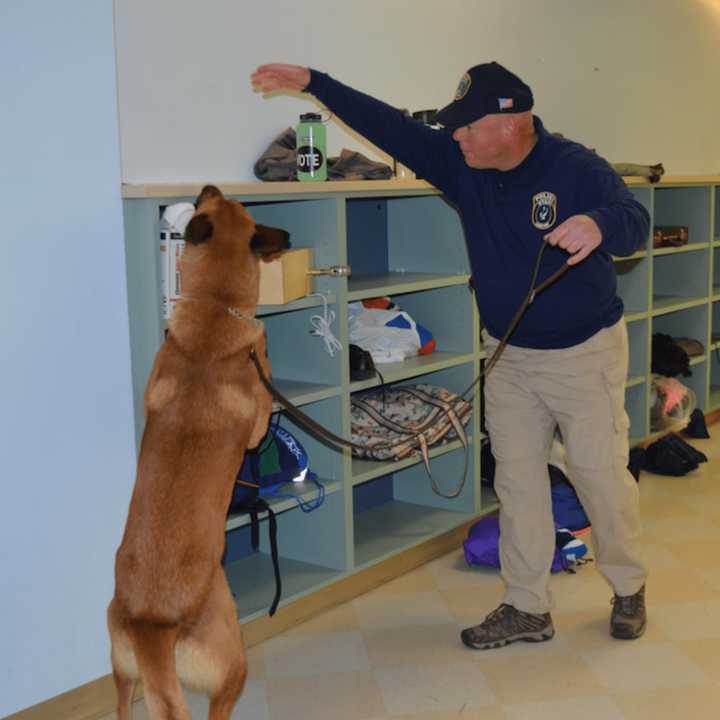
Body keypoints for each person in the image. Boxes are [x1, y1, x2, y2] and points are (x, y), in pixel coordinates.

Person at [251, 61, 649, 649]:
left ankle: (629, 587)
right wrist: (316, 83)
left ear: (510, 122)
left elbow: (635, 222)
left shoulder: (576, 168)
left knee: (598, 476)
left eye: (466, 126)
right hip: (508, 353)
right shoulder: (463, 168)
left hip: (581, 353)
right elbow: (388, 127)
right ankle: (527, 606)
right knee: (516, 482)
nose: (455, 137)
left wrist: (599, 223)